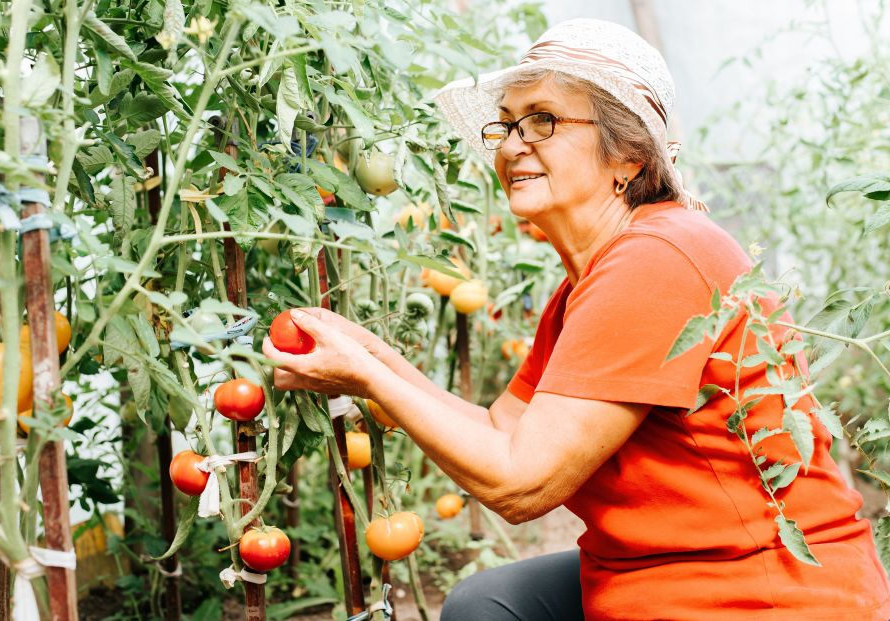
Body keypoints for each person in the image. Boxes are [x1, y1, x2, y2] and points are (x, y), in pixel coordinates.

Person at [263, 18, 890, 621]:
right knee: (488, 602)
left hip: (751, 593)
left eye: (543, 120)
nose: (512, 145)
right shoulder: (588, 286)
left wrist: (370, 382)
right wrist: (371, 359)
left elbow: (520, 486)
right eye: (506, 126)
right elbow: (500, 430)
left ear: (629, 158)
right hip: (651, 571)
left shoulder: (658, 260)